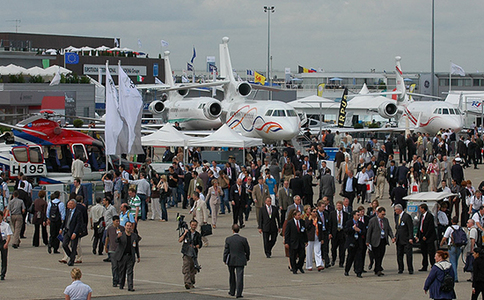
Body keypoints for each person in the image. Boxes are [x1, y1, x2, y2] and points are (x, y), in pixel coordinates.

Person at [223, 224, 250, 298]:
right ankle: (239, 293)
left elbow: (226, 250)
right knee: (240, 276)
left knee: (232, 276)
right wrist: (247, 257)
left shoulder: (228, 239)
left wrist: (224, 259)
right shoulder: (243, 239)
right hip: (241, 259)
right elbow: (247, 249)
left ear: (232, 230)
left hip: (231, 259)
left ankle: (232, 291)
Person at [366, 206, 394, 276]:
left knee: (381, 255)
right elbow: (369, 231)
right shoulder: (373, 220)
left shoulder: (385, 220)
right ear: (378, 213)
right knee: (377, 255)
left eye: (384, 214)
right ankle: (378, 269)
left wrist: (392, 237)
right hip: (375, 241)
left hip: (383, 240)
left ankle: (377, 268)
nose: (383, 216)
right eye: (382, 214)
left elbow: (389, 229)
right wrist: (368, 241)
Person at [113, 221, 139, 291]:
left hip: (130, 256)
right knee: (122, 271)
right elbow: (116, 240)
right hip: (122, 256)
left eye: (130, 226)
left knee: (130, 272)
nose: (129, 227)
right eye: (127, 226)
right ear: (125, 227)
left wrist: (138, 256)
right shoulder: (122, 235)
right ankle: (121, 284)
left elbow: (136, 247)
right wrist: (118, 237)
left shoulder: (134, 236)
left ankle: (130, 287)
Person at [179, 219, 203, 289]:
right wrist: (184, 233)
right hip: (186, 253)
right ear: (190, 225)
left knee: (193, 269)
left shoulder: (198, 234)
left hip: (194, 254)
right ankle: (187, 282)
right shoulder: (187, 233)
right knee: (186, 268)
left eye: (195, 225)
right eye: (192, 225)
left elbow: (200, 244)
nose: (194, 226)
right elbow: (180, 240)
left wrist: (195, 246)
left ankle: (192, 282)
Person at [440, 216, 464, 282]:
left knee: (452, 262)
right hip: (458, 246)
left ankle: (454, 277)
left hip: (452, 246)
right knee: (455, 262)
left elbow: (445, 237)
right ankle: (455, 274)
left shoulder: (450, 228)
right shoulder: (460, 228)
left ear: (452, 221)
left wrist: (441, 244)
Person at [285, 210, 308, 274]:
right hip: (293, 242)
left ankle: (299, 266)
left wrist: (306, 240)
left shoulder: (302, 222)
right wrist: (286, 242)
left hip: (301, 242)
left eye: (300, 215)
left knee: (302, 256)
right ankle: (294, 269)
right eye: (298, 215)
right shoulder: (290, 223)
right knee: (293, 256)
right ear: (294, 216)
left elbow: (304, 232)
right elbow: (287, 233)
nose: (299, 216)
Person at [393, 204, 414, 274]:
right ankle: (400, 268)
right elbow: (397, 228)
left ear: (399, 209)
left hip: (406, 239)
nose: (395, 211)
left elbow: (410, 228)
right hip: (399, 239)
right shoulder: (397, 217)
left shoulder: (407, 217)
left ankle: (410, 269)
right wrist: (395, 236)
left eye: (396, 210)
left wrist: (411, 237)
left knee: (408, 255)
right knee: (399, 255)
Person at [344, 210, 366, 278]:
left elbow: (364, 232)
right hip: (351, 242)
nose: (359, 216)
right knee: (350, 257)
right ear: (354, 215)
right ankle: (347, 270)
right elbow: (346, 231)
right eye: (357, 215)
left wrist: (359, 230)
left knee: (359, 257)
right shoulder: (349, 222)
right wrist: (352, 228)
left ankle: (358, 271)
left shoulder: (361, 223)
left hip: (358, 242)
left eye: (359, 215)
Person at [104, 216, 124, 287]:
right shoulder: (109, 228)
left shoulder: (122, 228)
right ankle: (115, 281)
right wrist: (106, 246)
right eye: (116, 221)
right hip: (112, 250)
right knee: (114, 266)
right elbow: (107, 238)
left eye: (119, 221)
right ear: (113, 221)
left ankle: (119, 279)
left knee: (120, 266)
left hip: (120, 250)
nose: (118, 223)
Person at [62, 200, 83, 266]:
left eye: (71, 204)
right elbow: (65, 220)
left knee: (74, 246)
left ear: (74, 204)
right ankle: (71, 255)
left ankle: (71, 261)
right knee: (64, 244)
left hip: (73, 231)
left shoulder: (78, 213)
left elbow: (79, 223)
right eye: (68, 204)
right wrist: (61, 228)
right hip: (67, 230)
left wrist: (75, 232)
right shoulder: (68, 211)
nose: (69, 205)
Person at [418, 203, 437, 272]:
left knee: (431, 252)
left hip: (429, 237)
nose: (420, 210)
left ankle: (433, 265)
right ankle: (424, 265)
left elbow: (430, 227)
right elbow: (420, 226)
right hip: (422, 237)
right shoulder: (422, 216)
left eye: (420, 208)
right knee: (424, 252)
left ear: (423, 209)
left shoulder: (429, 216)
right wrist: (418, 236)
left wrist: (426, 236)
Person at [329, 200, 349, 267]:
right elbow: (330, 224)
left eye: (340, 205)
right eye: (338, 205)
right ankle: (333, 259)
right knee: (333, 248)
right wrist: (330, 233)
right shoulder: (332, 214)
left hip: (342, 233)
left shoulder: (345, 214)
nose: (339, 207)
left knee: (342, 249)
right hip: (335, 233)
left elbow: (346, 224)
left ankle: (341, 262)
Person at [0, 211, 12, 280]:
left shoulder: (6, 225)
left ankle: (3, 274)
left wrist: (6, 243)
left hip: (3, 241)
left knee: (4, 259)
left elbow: (8, 235)